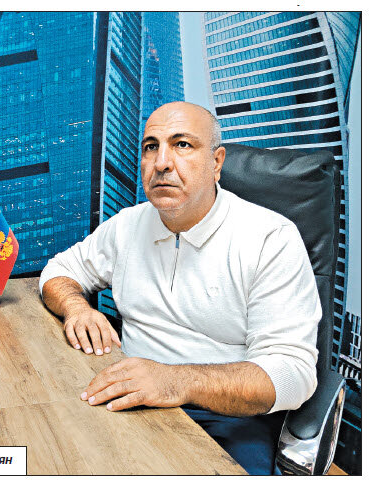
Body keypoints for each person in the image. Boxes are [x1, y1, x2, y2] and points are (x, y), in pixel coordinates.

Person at [39, 102, 321, 475]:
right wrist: (77, 308)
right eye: (150, 147)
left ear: (216, 163)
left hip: (226, 418)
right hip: (130, 398)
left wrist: (175, 381)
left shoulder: (271, 238)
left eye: (182, 144)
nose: (161, 163)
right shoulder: (128, 225)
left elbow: (292, 374)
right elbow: (59, 271)